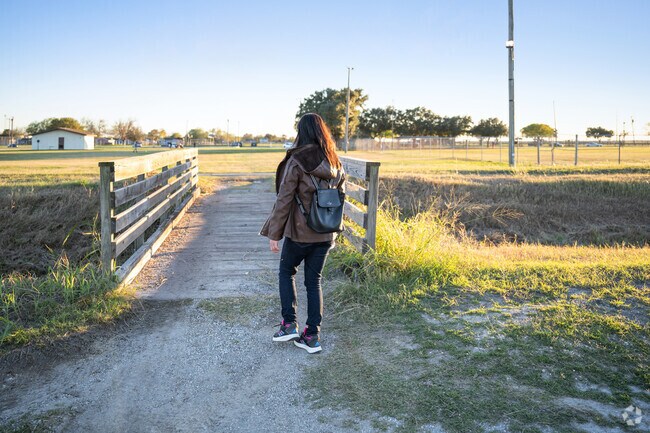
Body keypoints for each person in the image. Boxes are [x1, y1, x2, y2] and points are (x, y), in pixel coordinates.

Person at [260, 113, 345, 354]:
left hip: (300, 233)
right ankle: (312, 336)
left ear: (301, 132)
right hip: (326, 233)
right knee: (314, 281)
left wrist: (274, 233)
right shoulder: (335, 161)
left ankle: (289, 325)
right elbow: (340, 199)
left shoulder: (297, 160)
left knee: (287, 272)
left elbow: (284, 199)